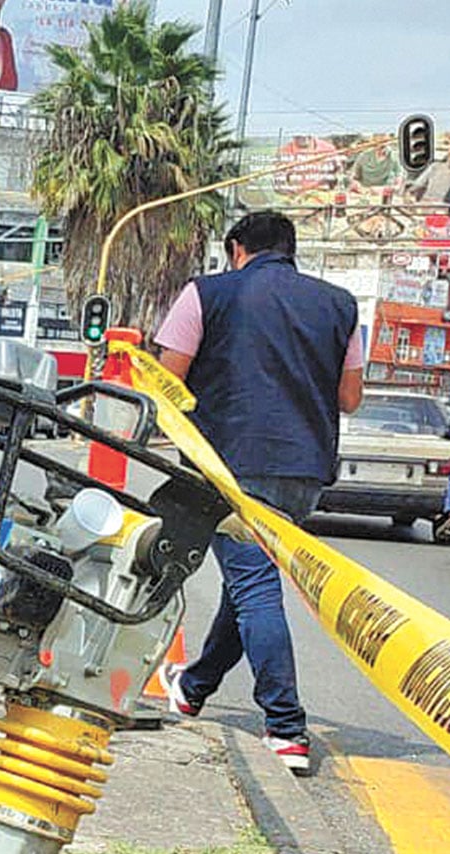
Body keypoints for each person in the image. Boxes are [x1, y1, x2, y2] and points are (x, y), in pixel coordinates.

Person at [152, 210, 366, 774]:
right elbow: (349, 398)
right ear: (290, 251)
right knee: (250, 585)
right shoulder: (341, 304)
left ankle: (286, 725)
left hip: (231, 466)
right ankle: (194, 687)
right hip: (304, 472)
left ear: (237, 248)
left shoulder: (207, 293)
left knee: (253, 587)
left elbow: (166, 380)